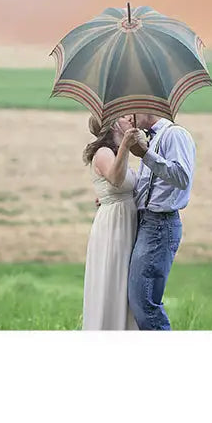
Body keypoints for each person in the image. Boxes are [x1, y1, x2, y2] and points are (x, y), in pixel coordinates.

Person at [126, 114, 196, 331]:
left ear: (147, 109)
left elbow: (182, 178)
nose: (128, 118)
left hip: (159, 225)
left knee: (143, 301)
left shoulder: (175, 134)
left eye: (132, 111)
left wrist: (145, 155)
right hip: (148, 223)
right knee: (139, 299)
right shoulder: (153, 138)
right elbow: (148, 188)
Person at [81, 114, 143, 330]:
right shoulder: (103, 153)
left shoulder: (116, 153)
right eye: (124, 117)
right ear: (114, 124)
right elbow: (116, 180)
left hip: (126, 222)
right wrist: (126, 145)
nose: (130, 118)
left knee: (125, 283)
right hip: (113, 227)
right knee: (112, 280)